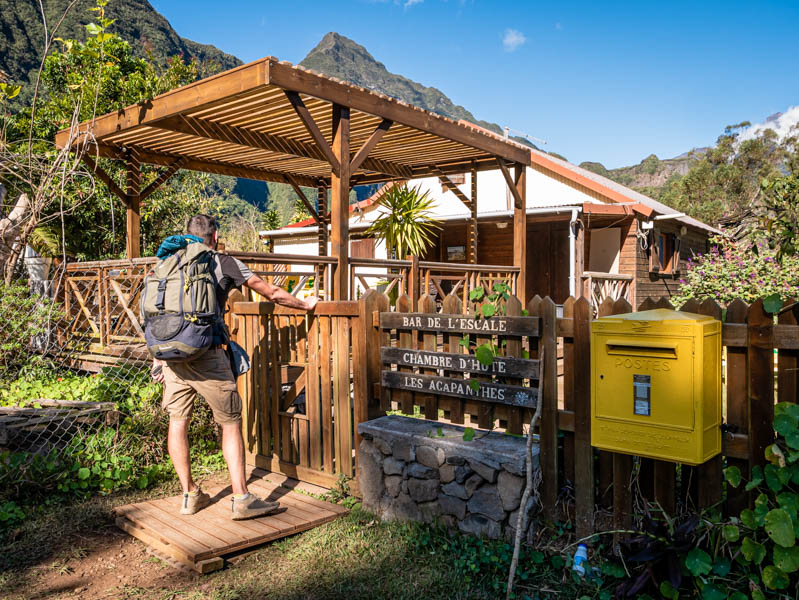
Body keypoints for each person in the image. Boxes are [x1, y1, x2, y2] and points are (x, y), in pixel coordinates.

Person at [151, 214, 317, 520]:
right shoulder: (223, 262)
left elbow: (155, 310)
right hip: (208, 354)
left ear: (187, 236)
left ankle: (189, 495)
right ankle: (241, 498)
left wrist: (158, 356)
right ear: (215, 236)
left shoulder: (169, 263)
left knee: (178, 422)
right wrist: (307, 305)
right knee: (230, 423)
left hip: (172, 357)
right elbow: (271, 292)